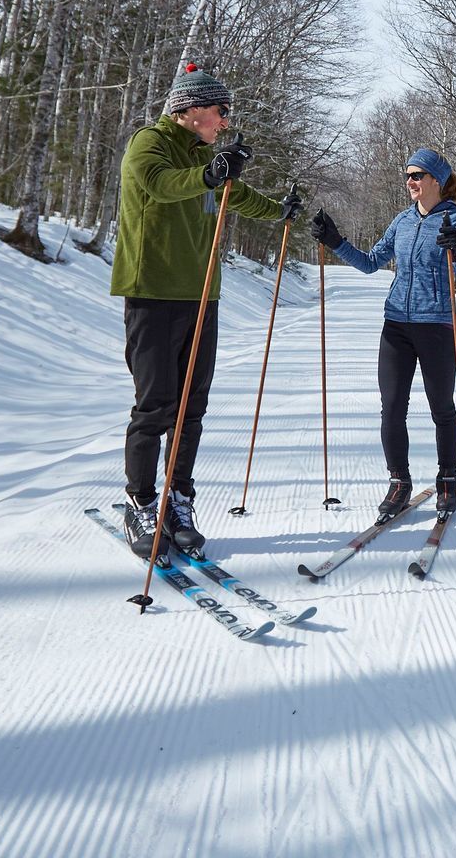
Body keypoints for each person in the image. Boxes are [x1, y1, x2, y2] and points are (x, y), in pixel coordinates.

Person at [110, 63, 302, 558]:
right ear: (191, 110)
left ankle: (178, 498)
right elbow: (164, 185)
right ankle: (141, 501)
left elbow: (234, 195)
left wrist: (279, 209)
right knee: (156, 405)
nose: (224, 119)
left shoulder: (203, 156)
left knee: (191, 408)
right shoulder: (148, 144)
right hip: (153, 291)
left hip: (202, 296)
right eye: (219, 111)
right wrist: (209, 172)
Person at [310, 147, 456, 522]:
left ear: (436, 179)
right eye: (408, 176)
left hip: (436, 325)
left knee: (441, 408)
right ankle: (399, 482)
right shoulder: (402, 221)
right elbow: (371, 263)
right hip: (396, 326)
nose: (411, 182)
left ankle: (447, 478)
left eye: (417, 175)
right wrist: (336, 241)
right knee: (392, 408)